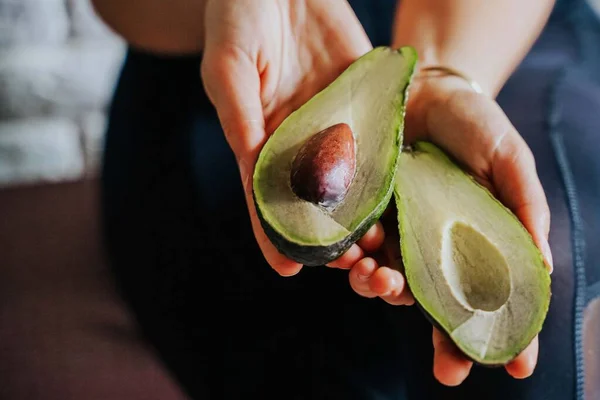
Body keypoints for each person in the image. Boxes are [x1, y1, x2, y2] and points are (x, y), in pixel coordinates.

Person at [93, 0, 600, 398]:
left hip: (489, 24)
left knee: (547, 320)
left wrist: (443, 72)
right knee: (259, 320)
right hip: (223, 41)